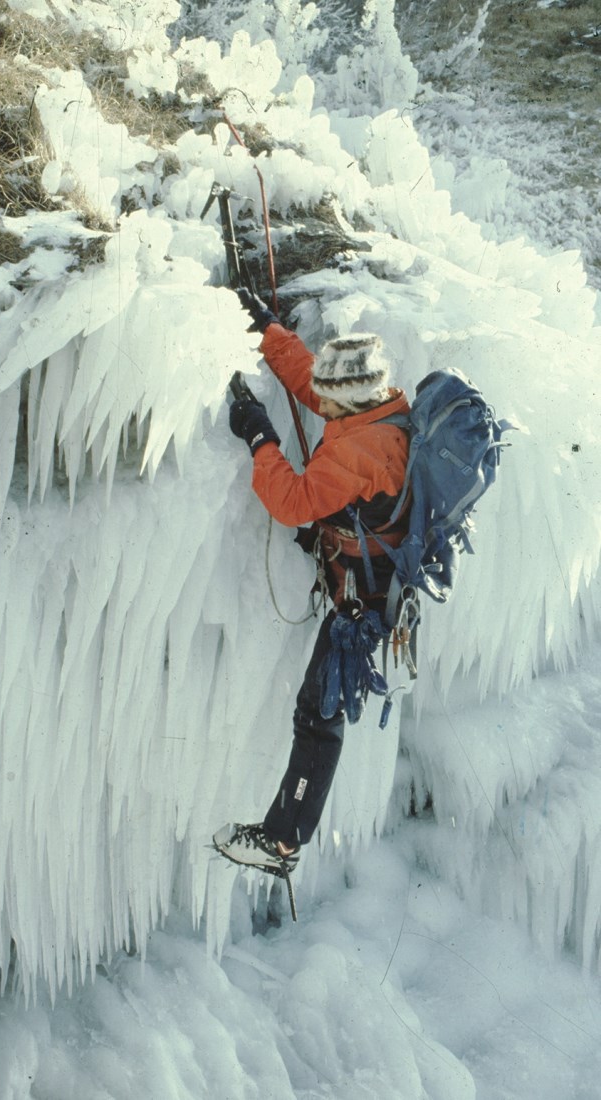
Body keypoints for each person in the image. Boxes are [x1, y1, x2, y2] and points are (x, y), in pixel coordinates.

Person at [213, 290, 411, 877]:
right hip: (374, 581)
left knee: (317, 714)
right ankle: (284, 837)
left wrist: (259, 437)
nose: (321, 399)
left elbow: (293, 501)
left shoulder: (355, 452)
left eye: (330, 397)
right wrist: (272, 331)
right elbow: (312, 383)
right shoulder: (381, 409)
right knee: (317, 712)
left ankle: (281, 843)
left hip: (362, 605)